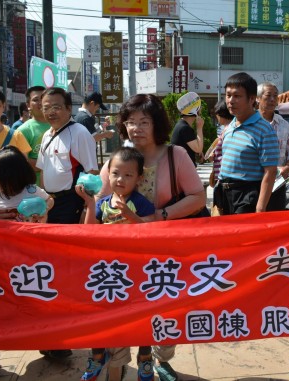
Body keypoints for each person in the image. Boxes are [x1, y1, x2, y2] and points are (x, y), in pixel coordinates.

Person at [99, 93, 206, 381]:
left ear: (156, 123)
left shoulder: (176, 155)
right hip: (122, 255)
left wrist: (160, 216)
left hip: (163, 252)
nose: (136, 128)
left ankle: (159, 358)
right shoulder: (118, 159)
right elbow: (101, 203)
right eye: (130, 122)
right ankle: (119, 360)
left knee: (164, 307)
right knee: (123, 308)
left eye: (144, 121)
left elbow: (198, 196)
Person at [76, 147, 155, 381]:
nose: (120, 179)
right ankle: (97, 356)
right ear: (107, 174)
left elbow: (152, 233)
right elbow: (89, 232)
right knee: (99, 315)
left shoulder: (141, 204)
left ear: (139, 178)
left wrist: (131, 217)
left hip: (136, 272)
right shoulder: (104, 203)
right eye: (115, 173)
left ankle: (145, 358)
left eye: (128, 175)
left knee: (142, 316)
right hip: (107, 273)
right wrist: (90, 204)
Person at [216, 72, 279, 215]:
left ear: (251, 99)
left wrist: (260, 208)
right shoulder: (230, 126)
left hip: (246, 196)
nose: (230, 100)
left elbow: (270, 172)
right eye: (228, 95)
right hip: (224, 195)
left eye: (237, 96)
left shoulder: (264, 129)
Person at [36, 87, 98, 225]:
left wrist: (86, 208)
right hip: (50, 202)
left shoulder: (80, 133)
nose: (51, 112)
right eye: (46, 108)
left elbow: (92, 172)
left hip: (71, 202)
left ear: (69, 109)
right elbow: (42, 170)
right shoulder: (47, 135)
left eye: (56, 107)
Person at [256, 81, 289, 211]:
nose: (272, 99)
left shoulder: (285, 126)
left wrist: (287, 168)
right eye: (268, 95)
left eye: (275, 96)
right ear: (257, 99)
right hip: (252, 184)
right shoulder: (249, 124)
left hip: (277, 186)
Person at [0, 146, 53, 222]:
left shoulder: (31, 190)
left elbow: (50, 200)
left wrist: (45, 210)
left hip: (34, 233)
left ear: (5, 178)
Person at [17, 86, 49, 185]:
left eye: (43, 99)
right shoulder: (24, 130)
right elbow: (22, 163)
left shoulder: (58, 124)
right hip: (35, 192)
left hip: (62, 191)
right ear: (28, 105)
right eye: (36, 100)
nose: (41, 103)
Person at [170, 92, 204, 166]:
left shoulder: (182, 125)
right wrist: (199, 128)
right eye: (200, 106)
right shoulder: (184, 128)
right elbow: (198, 149)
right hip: (183, 170)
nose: (201, 108)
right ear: (196, 109)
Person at [207, 100, 233, 187]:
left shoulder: (229, 130)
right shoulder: (226, 130)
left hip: (225, 177)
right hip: (221, 175)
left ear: (221, 114)